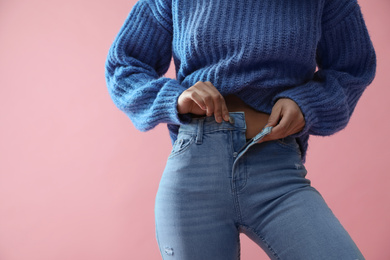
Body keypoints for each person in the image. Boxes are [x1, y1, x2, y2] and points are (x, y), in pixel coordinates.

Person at [105, 0, 376, 259]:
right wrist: (175, 99)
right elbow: (123, 66)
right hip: (194, 174)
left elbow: (353, 68)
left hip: (277, 171)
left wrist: (306, 105)